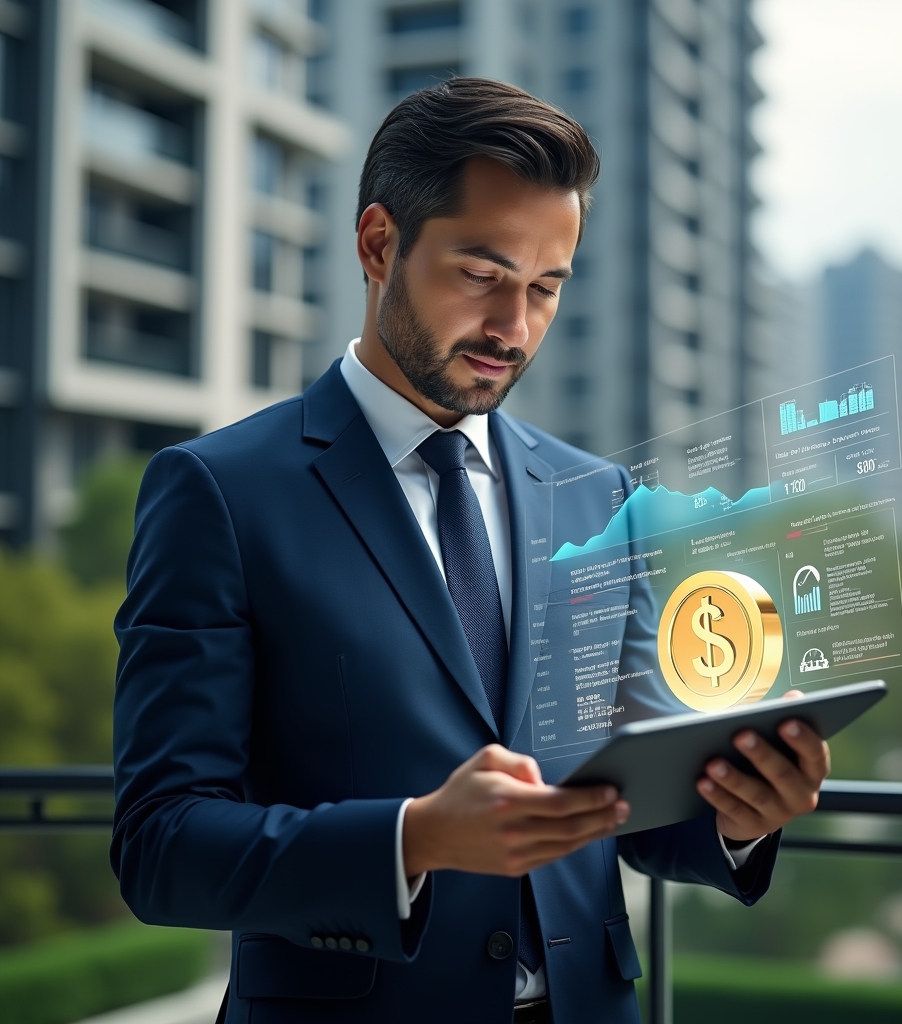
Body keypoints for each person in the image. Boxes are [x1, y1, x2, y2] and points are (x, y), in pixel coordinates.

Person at [111, 79, 830, 1024]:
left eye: (545, 288)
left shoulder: (593, 494)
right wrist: (412, 840)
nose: (514, 329)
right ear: (378, 244)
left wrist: (736, 818)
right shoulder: (220, 492)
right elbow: (162, 845)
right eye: (482, 276)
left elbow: (619, 800)